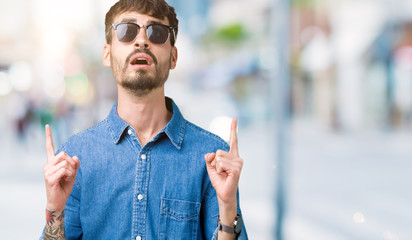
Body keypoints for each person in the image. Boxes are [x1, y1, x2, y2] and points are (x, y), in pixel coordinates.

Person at [41, 0, 248, 239]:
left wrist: (228, 208)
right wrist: (54, 210)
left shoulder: (212, 158)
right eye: (126, 31)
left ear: (173, 56)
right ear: (107, 54)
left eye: (157, 33)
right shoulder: (75, 156)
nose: (141, 41)